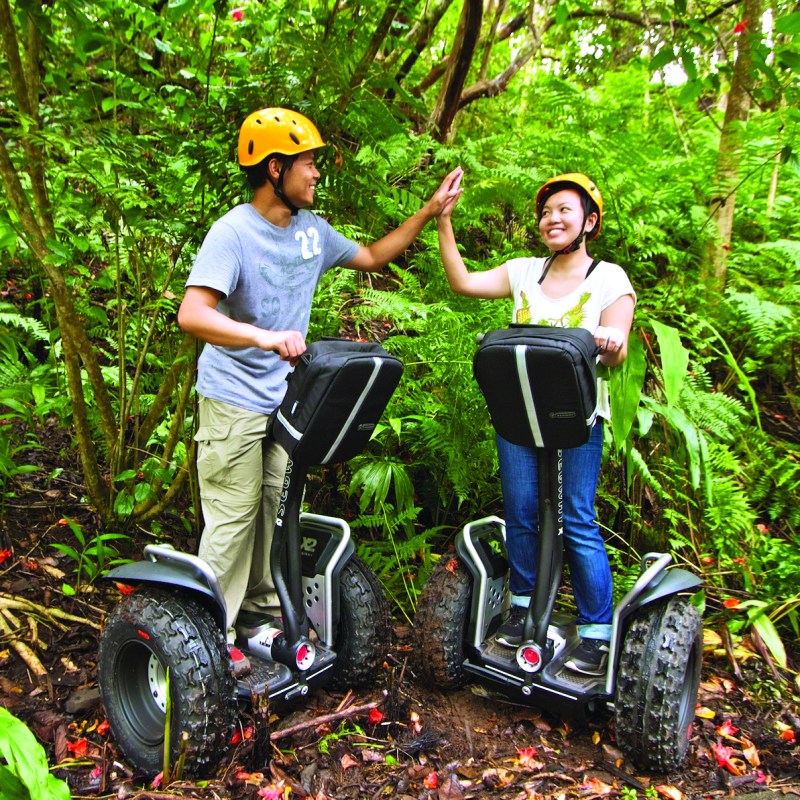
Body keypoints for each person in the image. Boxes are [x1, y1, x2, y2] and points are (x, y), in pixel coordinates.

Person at [178, 107, 462, 676]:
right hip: (233, 398)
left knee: (275, 512)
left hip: (287, 401)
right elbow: (192, 314)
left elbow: (375, 256)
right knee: (232, 519)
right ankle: (208, 639)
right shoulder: (232, 233)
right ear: (274, 167)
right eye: (307, 164)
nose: (315, 174)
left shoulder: (311, 231)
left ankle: (258, 617)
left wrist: (430, 212)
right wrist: (263, 337)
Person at [436, 169, 636, 675]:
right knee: (522, 511)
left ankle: (595, 630)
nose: (553, 219)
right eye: (547, 212)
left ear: (589, 221)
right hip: (519, 414)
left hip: (576, 419)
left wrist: (609, 341)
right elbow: (462, 283)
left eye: (565, 210)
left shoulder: (610, 279)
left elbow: (617, 348)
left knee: (575, 517)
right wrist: (444, 221)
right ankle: (523, 606)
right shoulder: (525, 270)